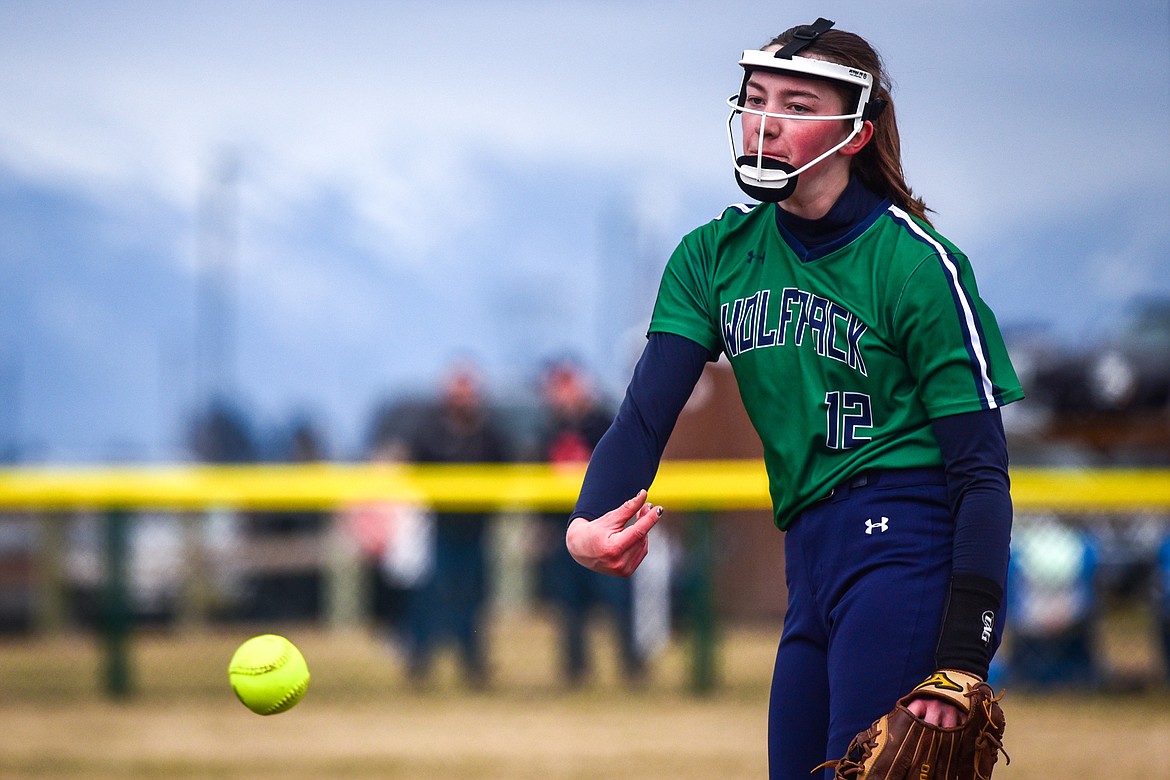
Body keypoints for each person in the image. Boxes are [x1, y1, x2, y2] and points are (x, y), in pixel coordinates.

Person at [564, 18, 1024, 780]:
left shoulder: (915, 266)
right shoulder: (713, 256)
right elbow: (645, 414)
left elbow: (981, 472)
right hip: (808, 553)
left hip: (906, 542)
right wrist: (587, 521)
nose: (766, 122)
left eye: (797, 105)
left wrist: (964, 656)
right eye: (755, 98)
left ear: (853, 133)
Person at [536, 359, 646, 686]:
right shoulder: (549, 431)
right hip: (562, 530)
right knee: (569, 605)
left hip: (604, 525)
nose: (564, 394)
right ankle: (576, 671)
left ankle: (632, 666)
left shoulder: (604, 424)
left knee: (618, 600)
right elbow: (540, 483)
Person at [403, 360, 510, 688]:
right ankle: (420, 664)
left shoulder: (489, 432)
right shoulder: (429, 430)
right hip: (440, 527)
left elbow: (505, 472)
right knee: (433, 596)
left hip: (477, 529)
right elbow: (414, 471)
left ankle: (472, 665)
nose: (462, 395)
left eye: (467, 388)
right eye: (457, 388)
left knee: (473, 599)